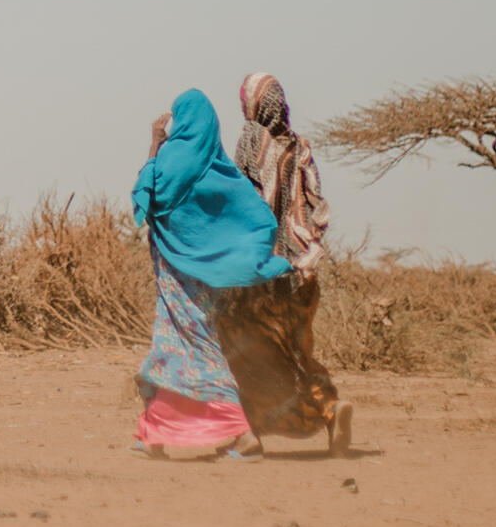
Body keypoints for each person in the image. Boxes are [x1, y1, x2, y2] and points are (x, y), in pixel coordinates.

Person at [131, 88, 290, 460]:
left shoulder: (171, 161)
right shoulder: (220, 169)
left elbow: (145, 194)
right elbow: (255, 218)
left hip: (175, 279)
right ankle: (152, 433)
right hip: (207, 282)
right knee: (172, 351)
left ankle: (239, 432)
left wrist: (154, 146)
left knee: (192, 350)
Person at [220, 71, 353, 454]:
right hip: (303, 273)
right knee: (295, 350)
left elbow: (242, 201)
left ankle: (250, 434)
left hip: (263, 271)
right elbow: (314, 204)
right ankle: (329, 407)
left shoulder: (250, 140)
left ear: (251, 104)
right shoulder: (301, 147)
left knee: (243, 346)